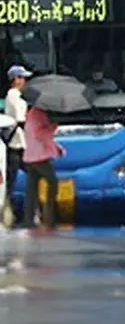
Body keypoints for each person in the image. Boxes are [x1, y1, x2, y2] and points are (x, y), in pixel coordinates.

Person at [23, 106, 65, 229]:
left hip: (30, 158)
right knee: (52, 183)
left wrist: (56, 148)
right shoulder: (38, 114)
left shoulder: (31, 114)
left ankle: (29, 220)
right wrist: (53, 127)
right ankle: (49, 217)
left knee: (31, 190)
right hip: (39, 158)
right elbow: (41, 135)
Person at [3, 65, 31, 225]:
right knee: (10, 180)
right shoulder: (13, 95)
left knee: (14, 179)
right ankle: (7, 211)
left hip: (21, 144)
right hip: (16, 144)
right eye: (22, 78)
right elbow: (21, 120)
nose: (24, 81)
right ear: (15, 80)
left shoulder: (19, 95)